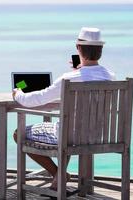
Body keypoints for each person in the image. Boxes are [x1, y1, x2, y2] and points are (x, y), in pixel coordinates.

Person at [12, 27, 115, 190]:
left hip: (69, 136)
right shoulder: (110, 76)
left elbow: (36, 99)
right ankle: (59, 177)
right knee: (66, 128)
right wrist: (80, 70)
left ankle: (58, 174)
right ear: (101, 50)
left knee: (19, 133)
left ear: (78, 48)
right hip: (97, 135)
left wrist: (18, 94)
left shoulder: (68, 79)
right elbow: (90, 78)